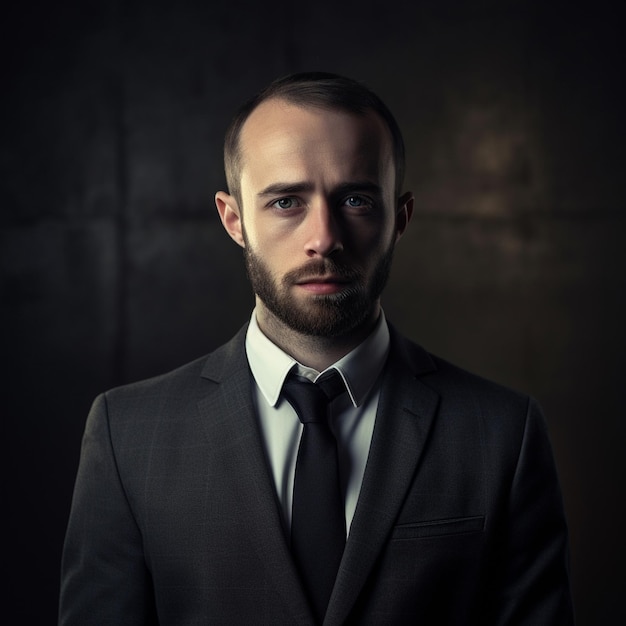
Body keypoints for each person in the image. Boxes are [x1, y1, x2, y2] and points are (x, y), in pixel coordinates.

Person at [59, 72, 574, 625]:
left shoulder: (501, 433)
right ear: (234, 220)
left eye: (355, 198)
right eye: (286, 201)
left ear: (399, 218)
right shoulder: (126, 434)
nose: (324, 237)